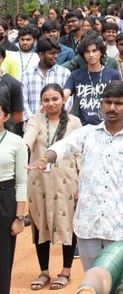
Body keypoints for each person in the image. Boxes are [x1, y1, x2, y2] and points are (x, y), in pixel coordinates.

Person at [32, 81, 123, 271]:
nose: (112, 108)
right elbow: (64, 146)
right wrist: (46, 158)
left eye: (118, 103)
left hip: (118, 227)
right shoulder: (87, 134)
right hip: (87, 225)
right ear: (101, 105)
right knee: (92, 279)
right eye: (107, 102)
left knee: (117, 281)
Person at [23, 84, 82, 291]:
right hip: (38, 182)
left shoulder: (74, 122)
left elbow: (79, 154)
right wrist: (23, 149)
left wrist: (81, 184)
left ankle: (66, 271)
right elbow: (28, 138)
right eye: (46, 100)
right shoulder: (35, 120)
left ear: (63, 100)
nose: (51, 103)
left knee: (67, 224)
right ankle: (44, 272)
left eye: (55, 99)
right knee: (40, 226)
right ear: (41, 102)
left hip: (67, 181)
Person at [0, 97, 27, 294]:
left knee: (3, 257)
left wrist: (19, 217)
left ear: (6, 116)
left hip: (5, 200)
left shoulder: (16, 142)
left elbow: (21, 181)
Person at [65, 36, 122, 125]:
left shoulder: (113, 74)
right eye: (87, 52)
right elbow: (64, 94)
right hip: (82, 127)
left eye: (94, 51)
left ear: (101, 52)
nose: (91, 55)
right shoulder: (75, 75)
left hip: (107, 125)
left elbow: (121, 99)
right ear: (83, 54)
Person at [22, 37, 70, 120]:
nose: (56, 56)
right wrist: (33, 121)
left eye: (57, 53)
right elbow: (23, 101)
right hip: (32, 125)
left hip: (58, 124)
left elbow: (68, 101)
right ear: (41, 55)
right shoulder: (27, 74)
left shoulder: (65, 73)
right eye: (52, 53)